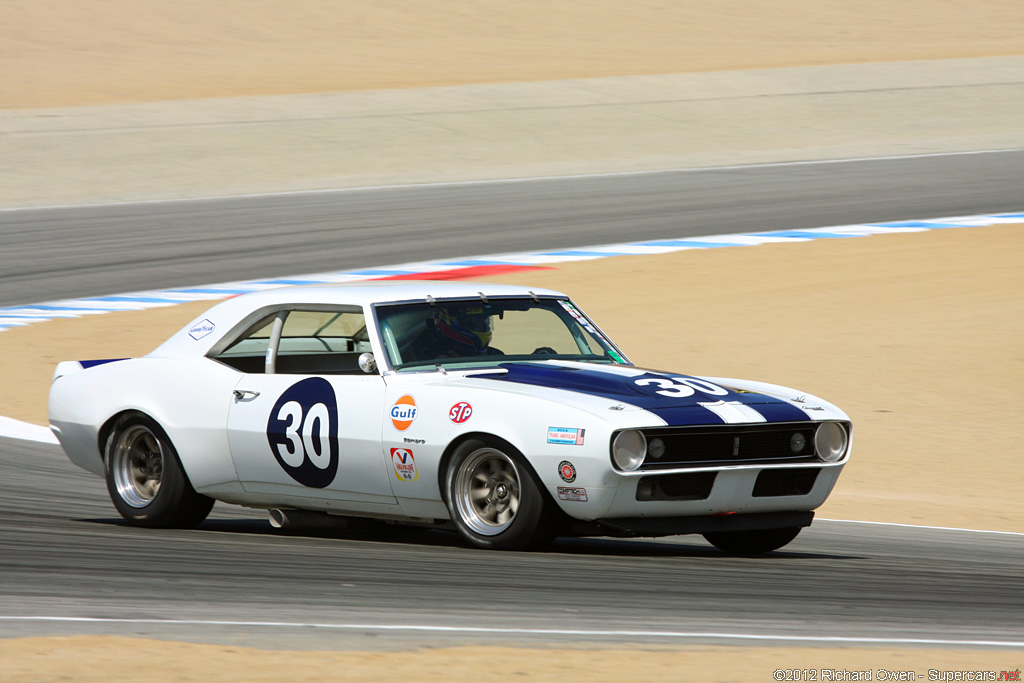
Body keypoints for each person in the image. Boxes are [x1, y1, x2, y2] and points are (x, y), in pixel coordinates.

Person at [429, 304, 503, 358]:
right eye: (473, 322)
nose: (481, 326)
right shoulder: (431, 356)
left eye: (483, 322)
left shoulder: (496, 355)